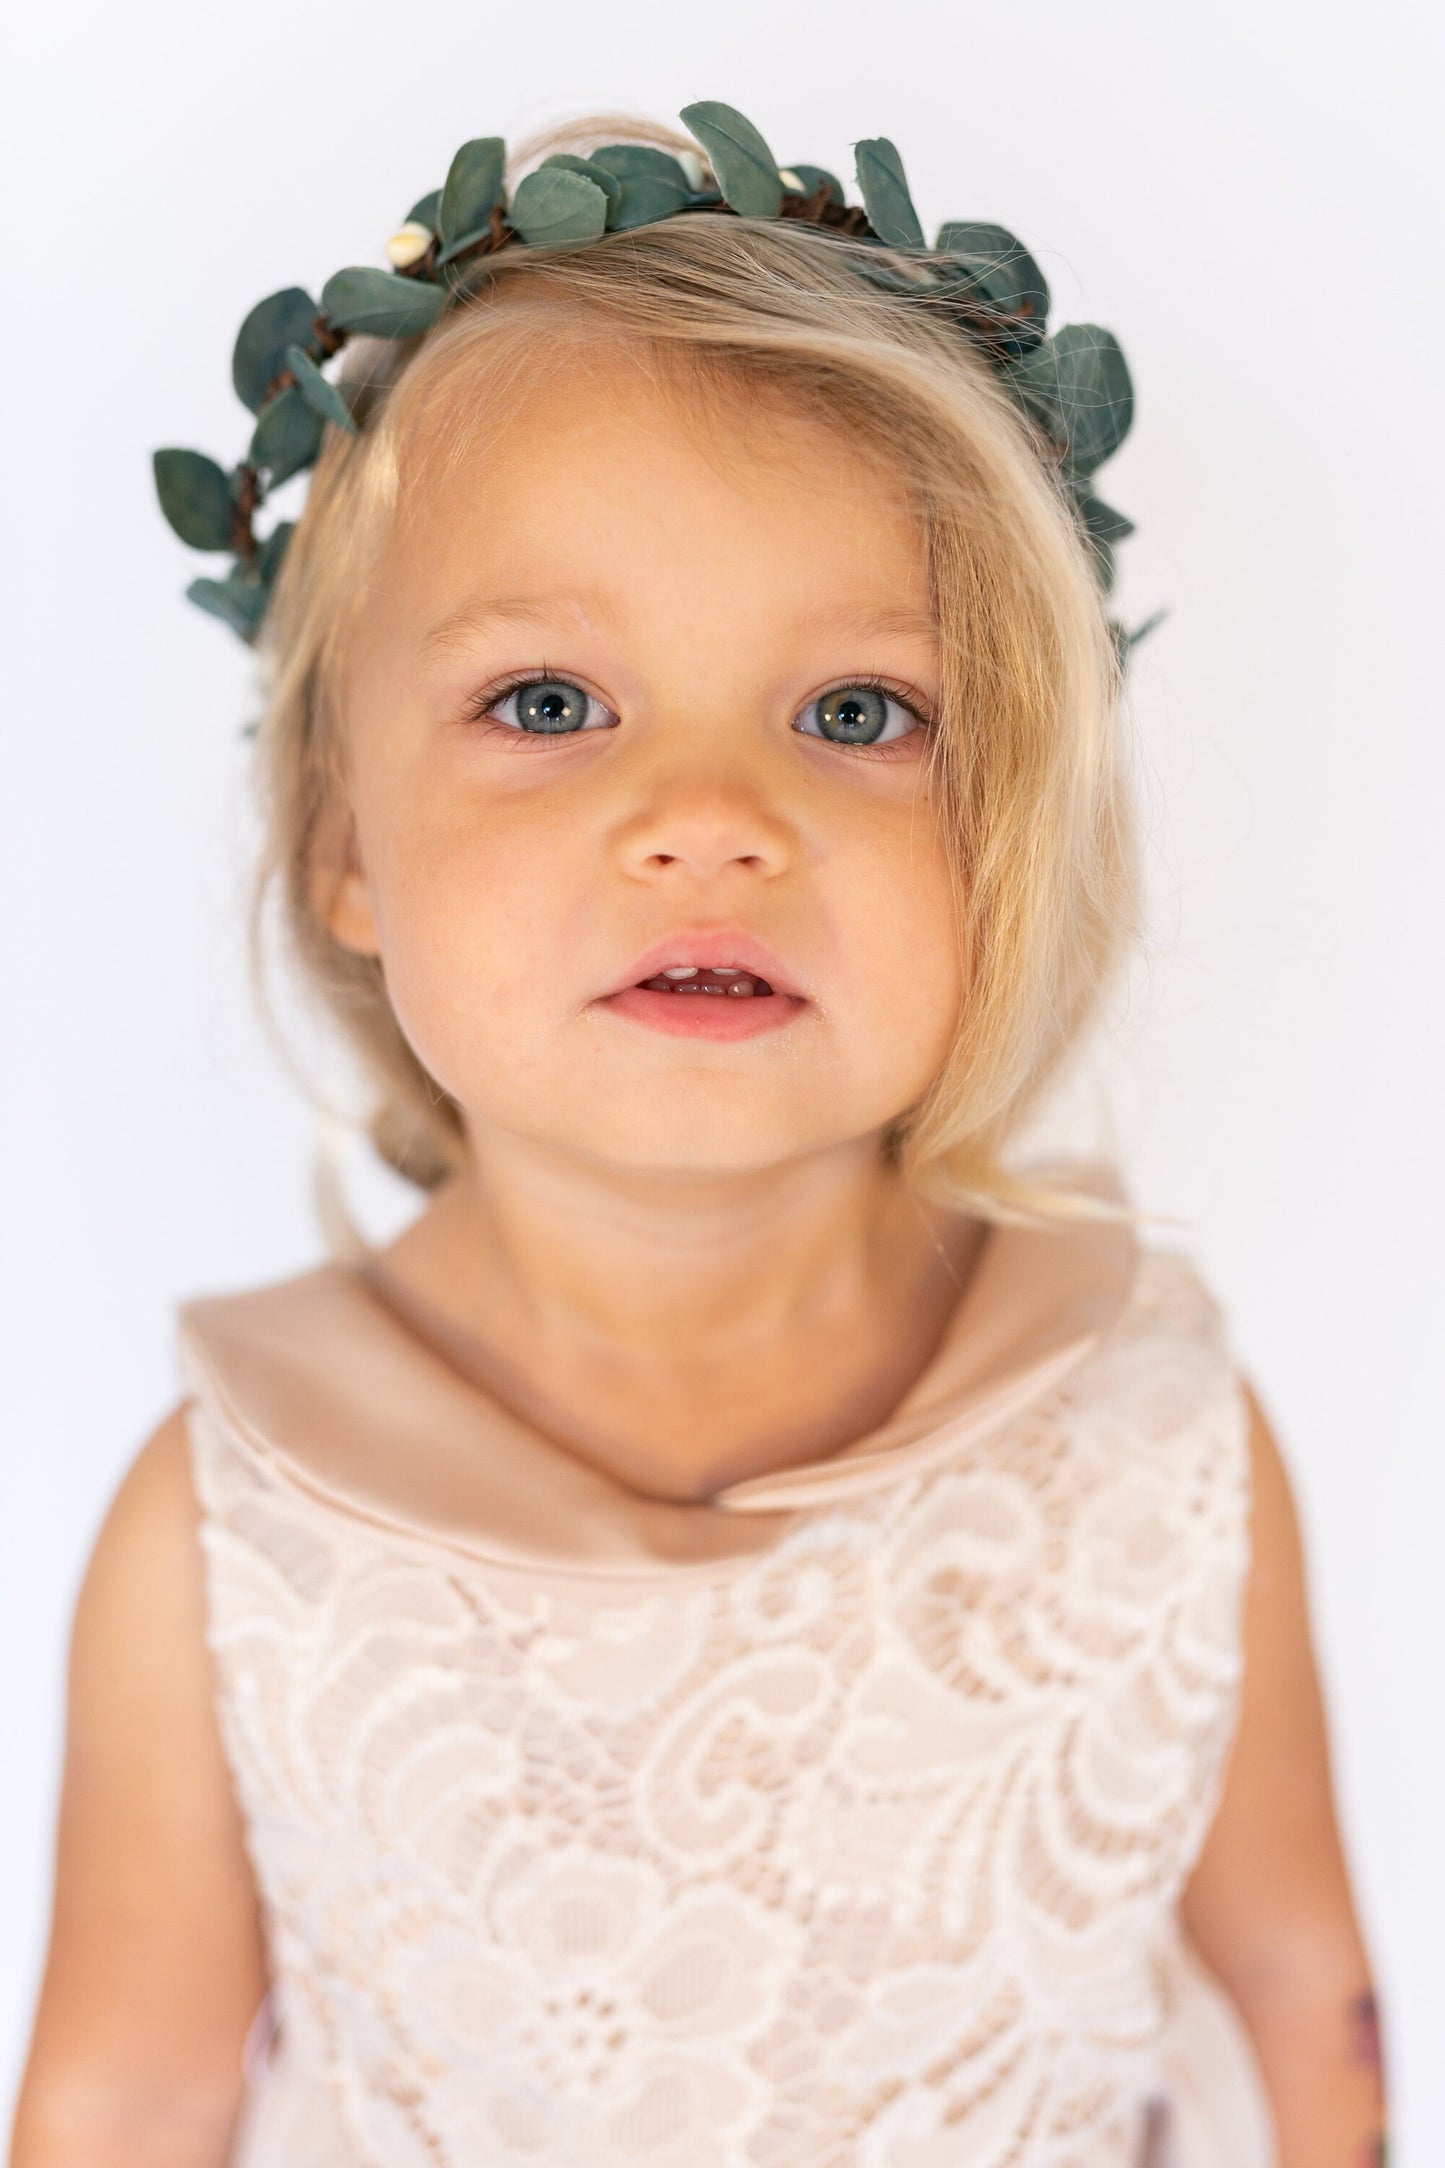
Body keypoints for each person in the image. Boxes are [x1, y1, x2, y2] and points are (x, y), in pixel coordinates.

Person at [9, 104, 1383, 2168]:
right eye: (550, 702)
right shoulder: (222, 1539)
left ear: (1004, 833)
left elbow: (1303, 1987)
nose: (712, 817)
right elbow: (127, 2093)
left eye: (856, 712)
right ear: (339, 844)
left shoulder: (1161, 1434)